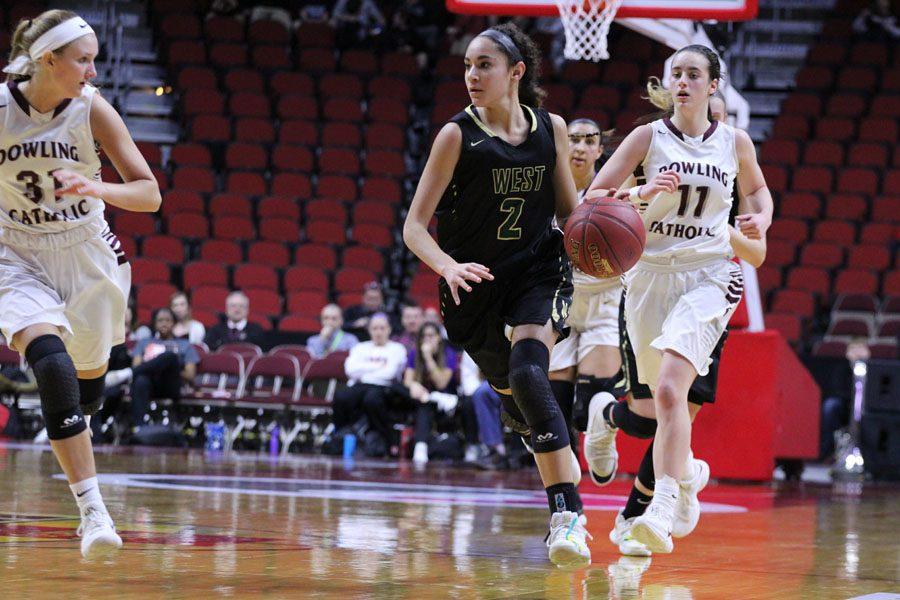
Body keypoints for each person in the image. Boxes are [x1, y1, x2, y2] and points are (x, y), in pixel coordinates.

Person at [403, 23, 591, 567]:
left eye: (484, 65)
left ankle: (567, 516)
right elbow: (415, 227)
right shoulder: (456, 136)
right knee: (522, 407)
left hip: (538, 271)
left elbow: (568, 212)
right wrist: (446, 265)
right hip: (473, 286)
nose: (471, 75)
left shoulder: (549, 128)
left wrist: (619, 216)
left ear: (516, 72)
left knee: (533, 373)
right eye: (467, 65)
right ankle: (540, 435)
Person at [584, 45, 772, 555]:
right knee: (649, 411)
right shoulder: (648, 137)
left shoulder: (734, 142)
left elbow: (757, 194)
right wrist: (641, 194)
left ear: (713, 85)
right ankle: (684, 473)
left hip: (708, 276)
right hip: (648, 278)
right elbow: (591, 200)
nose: (683, 82)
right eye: (676, 74)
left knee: (672, 392)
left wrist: (761, 219)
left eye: (693, 74)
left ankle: (661, 506)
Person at [0, 10, 161, 558]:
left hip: (87, 252)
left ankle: (76, 423)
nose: (93, 71)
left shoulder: (92, 109)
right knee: (50, 362)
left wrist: (94, 187)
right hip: (15, 253)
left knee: (87, 384)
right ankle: (93, 511)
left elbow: (149, 192)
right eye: (83, 60)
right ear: (48, 59)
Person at [547, 118, 624, 475]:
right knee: (557, 415)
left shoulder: (619, 189)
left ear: (599, 149)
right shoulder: (545, 188)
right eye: (572, 139)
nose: (579, 147)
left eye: (587, 140)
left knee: (586, 410)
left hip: (604, 298)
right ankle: (568, 504)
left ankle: (601, 438)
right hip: (560, 298)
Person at [105, 307, 200, 428]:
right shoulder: (144, 342)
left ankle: (126, 373)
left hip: (171, 385)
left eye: (168, 320)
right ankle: (139, 428)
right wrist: (153, 366)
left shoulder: (184, 345)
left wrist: (166, 366)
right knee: (140, 380)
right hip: (149, 384)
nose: (164, 323)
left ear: (174, 323)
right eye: (160, 320)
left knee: (169, 357)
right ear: (155, 324)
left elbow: (190, 375)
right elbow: (137, 366)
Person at [331, 313, 407, 456]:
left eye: (382, 328)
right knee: (341, 396)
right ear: (369, 330)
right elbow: (350, 370)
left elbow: (389, 373)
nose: (378, 332)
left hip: (385, 387)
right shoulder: (360, 347)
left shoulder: (397, 348)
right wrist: (378, 366)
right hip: (361, 385)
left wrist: (364, 368)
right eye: (375, 328)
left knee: (372, 399)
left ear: (389, 330)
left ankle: (386, 439)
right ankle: (341, 435)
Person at [402, 321, 459, 463]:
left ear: (439, 337)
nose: (427, 339)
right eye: (424, 336)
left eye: (431, 335)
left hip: (444, 402)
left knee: (426, 402)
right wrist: (414, 385)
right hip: (420, 399)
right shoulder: (414, 353)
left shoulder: (448, 354)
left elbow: (441, 383)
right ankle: (419, 446)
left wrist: (428, 358)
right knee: (420, 400)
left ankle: (420, 446)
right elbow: (407, 381)